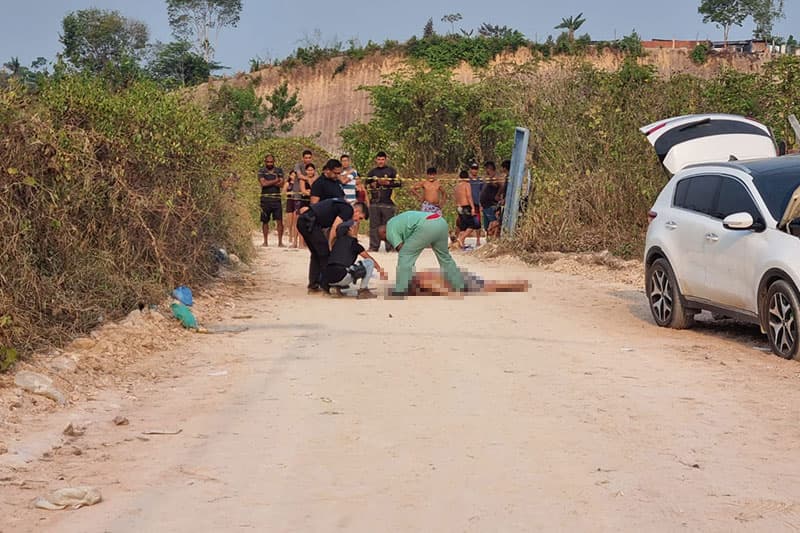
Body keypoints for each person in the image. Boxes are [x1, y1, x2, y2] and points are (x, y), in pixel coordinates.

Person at [378, 210, 465, 296]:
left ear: (384, 232)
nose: (387, 241)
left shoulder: (389, 229)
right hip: (440, 221)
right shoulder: (395, 221)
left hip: (426, 225)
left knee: (405, 254)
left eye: (385, 239)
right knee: (444, 257)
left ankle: (402, 289)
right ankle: (458, 284)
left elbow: (401, 249)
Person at [296, 198, 368, 294]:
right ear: (357, 211)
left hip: (303, 221)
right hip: (310, 223)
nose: (357, 221)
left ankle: (313, 286)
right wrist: (330, 246)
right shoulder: (348, 210)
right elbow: (334, 227)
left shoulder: (342, 205)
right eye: (360, 218)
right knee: (324, 253)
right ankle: (326, 285)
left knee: (316, 254)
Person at [325, 221, 388, 299]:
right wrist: (380, 270)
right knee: (369, 262)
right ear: (350, 229)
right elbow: (369, 258)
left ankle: (335, 287)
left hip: (328, 278)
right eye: (355, 226)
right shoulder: (353, 244)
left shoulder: (335, 242)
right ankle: (363, 290)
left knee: (341, 267)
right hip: (342, 276)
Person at [365, 151, 401, 252]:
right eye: (379, 159)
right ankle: (373, 246)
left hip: (388, 203)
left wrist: (388, 183)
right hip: (374, 203)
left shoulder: (391, 171)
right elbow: (365, 185)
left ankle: (390, 247)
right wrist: (374, 184)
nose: (380, 161)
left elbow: (399, 183)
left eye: (382, 159)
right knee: (374, 226)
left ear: (386, 160)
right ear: (376, 160)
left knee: (389, 226)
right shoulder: (372, 172)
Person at [408, 269, 529, 296]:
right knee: (486, 284)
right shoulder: (420, 275)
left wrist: (451, 292)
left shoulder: (421, 281)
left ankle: (515, 285)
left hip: (458, 280)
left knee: (487, 287)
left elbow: (438, 287)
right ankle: (514, 284)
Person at [258, 154, 284, 247]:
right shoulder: (261, 171)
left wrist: (272, 182)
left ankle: (280, 242)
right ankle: (265, 242)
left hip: (276, 199)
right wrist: (275, 180)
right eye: (268, 162)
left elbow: (281, 184)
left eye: (271, 162)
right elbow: (263, 184)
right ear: (265, 162)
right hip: (265, 200)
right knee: (265, 221)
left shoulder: (279, 170)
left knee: (279, 220)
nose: (269, 163)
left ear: (274, 162)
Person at [454, 170, 480, 249]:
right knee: (473, 225)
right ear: (467, 177)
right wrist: (472, 207)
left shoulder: (457, 186)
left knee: (463, 226)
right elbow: (469, 196)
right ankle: (461, 239)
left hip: (459, 207)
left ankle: (461, 243)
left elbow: (455, 197)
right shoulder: (467, 185)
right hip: (466, 206)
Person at [283, 170, 307, 248]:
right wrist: (290, 193)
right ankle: (292, 237)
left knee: (297, 222)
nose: (293, 177)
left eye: (295, 175)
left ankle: (300, 242)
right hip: (290, 202)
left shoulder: (300, 183)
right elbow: (283, 192)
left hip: (298, 202)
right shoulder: (288, 183)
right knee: (291, 221)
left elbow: (303, 192)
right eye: (292, 175)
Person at [479, 161, 502, 239]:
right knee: (486, 225)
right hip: (485, 205)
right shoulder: (489, 178)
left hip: (490, 204)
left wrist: (498, 195)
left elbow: (501, 185)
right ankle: (488, 238)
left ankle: (494, 238)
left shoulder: (496, 177)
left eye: (486, 169)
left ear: (490, 168)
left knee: (493, 223)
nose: (486, 170)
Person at [468, 162, 484, 247]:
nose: (474, 170)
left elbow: (482, 192)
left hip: (477, 203)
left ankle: (478, 240)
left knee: (478, 223)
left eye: (476, 169)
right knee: (464, 221)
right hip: (468, 204)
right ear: (470, 170)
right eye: (473, 168)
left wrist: (481, 204)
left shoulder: (480, 180)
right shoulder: (467, 180)